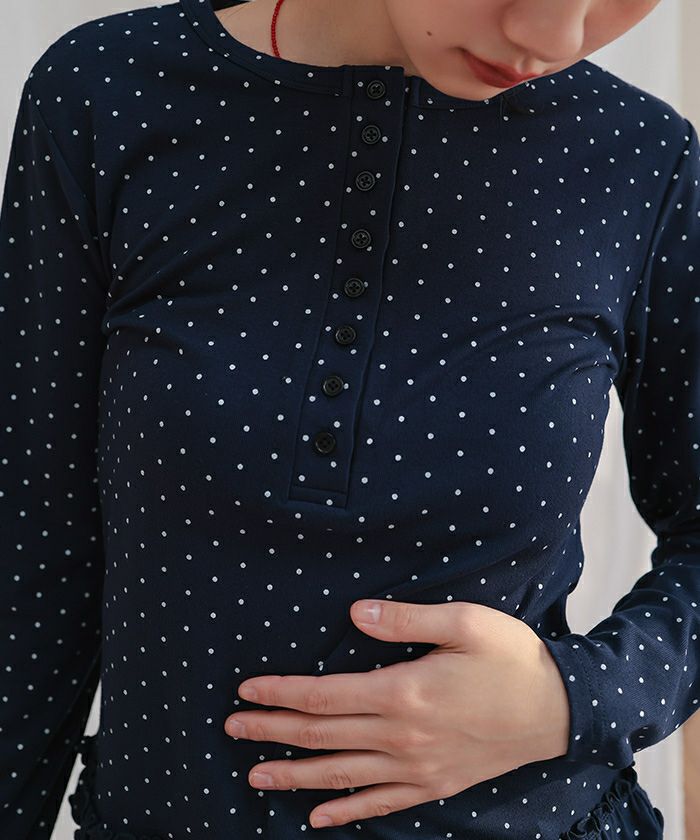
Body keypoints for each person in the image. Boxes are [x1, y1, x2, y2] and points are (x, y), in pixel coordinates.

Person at [0, 0, 697, 836]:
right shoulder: (109, 90)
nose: (553, 35)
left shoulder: (641, 159)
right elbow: (32, 546)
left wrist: (573, 697)